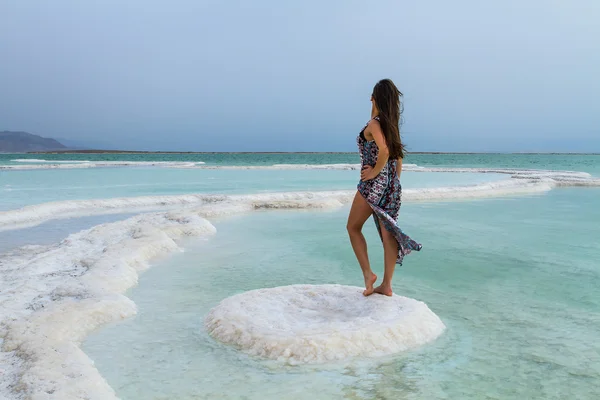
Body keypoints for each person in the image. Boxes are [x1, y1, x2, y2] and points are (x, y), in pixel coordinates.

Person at [346, 78, 422, 297]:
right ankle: (386, 285)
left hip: (373, 185)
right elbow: (397, 158)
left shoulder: (374, 124)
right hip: (392, 187)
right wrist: (392, 183)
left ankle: (369, 275)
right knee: (388, 234)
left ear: (374, 97)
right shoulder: (390, 126)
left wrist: (373, 173)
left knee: (353, 228)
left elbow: (385, 151)